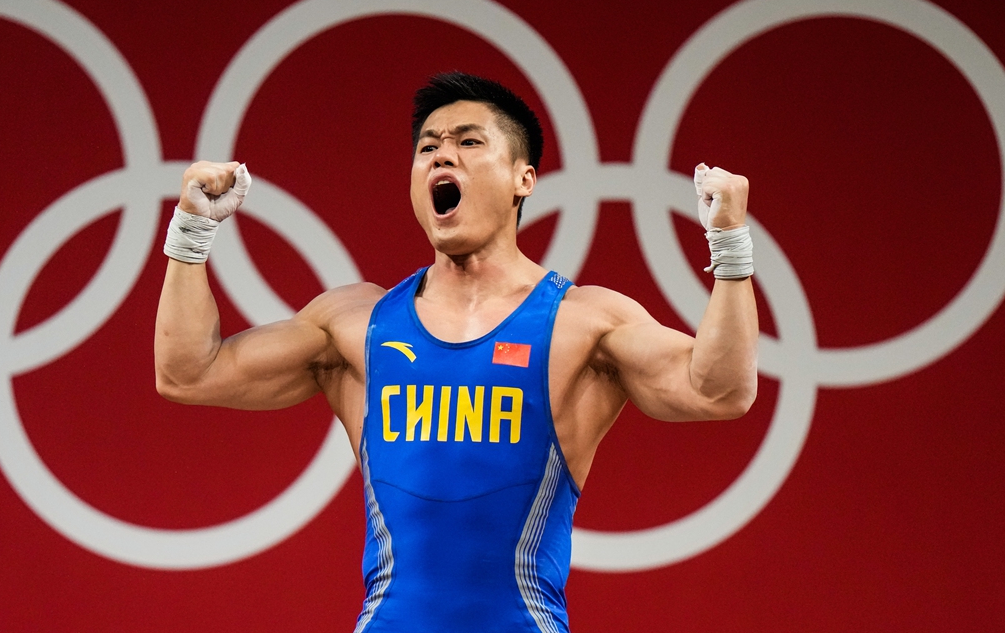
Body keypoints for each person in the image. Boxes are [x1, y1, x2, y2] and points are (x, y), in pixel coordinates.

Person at [154, 72, 757, 632]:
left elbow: (720, 390)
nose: (442, 154)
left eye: (470, 142)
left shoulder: (582, 324)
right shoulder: (355, 325)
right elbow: (189, 373)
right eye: (428, 147)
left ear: (524, 178)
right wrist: (190, 231)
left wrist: (730, 248)